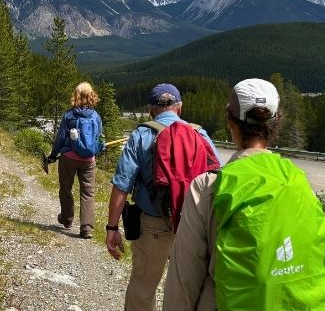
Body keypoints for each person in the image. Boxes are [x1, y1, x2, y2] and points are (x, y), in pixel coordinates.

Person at [163, 78, 325, 310]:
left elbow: (184, 279)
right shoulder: (296, 179)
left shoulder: (208, 186)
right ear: (276, 122)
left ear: (230, 120)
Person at [105, 83, 219, 311]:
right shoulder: (200, 134)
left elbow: (121, 185)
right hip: (193, 226)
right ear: (180, 107)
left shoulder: (141, 134)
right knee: (189, 290)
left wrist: (112, 227)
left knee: (143, 286)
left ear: (151, 109)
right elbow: (217, 178)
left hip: (154, 224)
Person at [48, 82, 103, 239]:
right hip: (88, 160)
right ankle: (86, 228)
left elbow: (60, 138)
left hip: (68, 158)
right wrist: (96, 151)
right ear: (91, 96)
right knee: (88, 192)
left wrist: (53, 155)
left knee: (66, 188)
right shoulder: (96, 116)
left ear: (76, 96)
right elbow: (100, 139)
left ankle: (66, 219)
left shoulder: (69, 115)